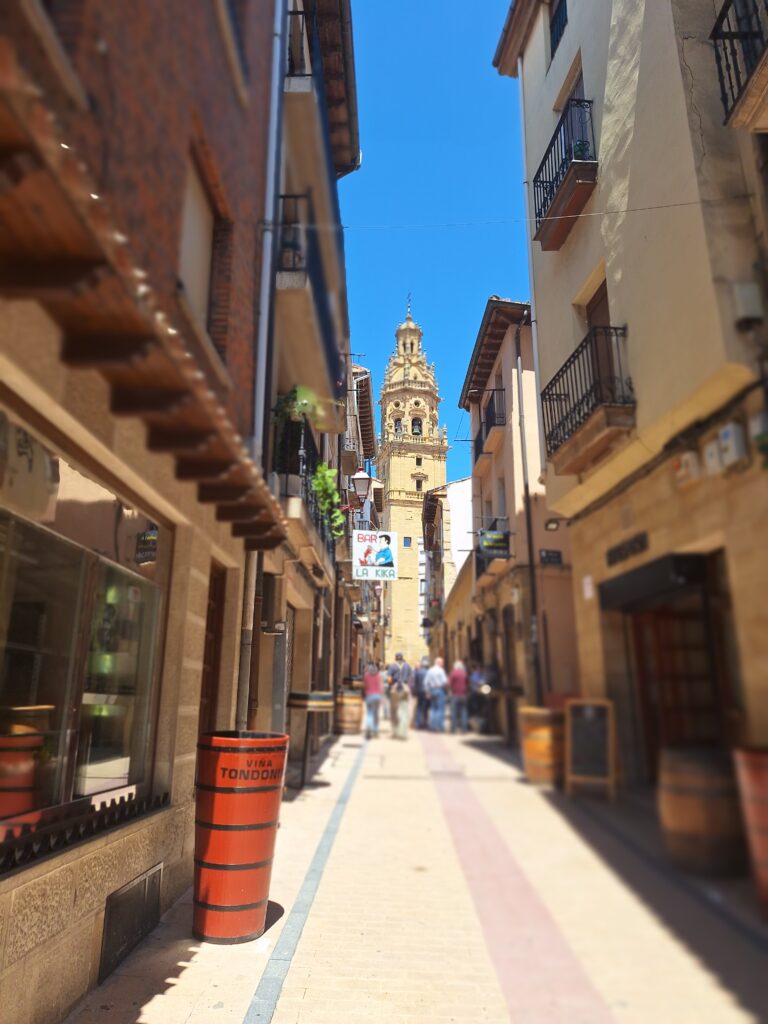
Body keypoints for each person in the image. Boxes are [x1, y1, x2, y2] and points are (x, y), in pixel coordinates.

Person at [387, 652, 413, 739]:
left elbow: (389, 679)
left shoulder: (392, 666)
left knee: (394, 711)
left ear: (395, 658)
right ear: (402, 658)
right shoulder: (407, 666)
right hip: (404, 689)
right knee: (404, 711)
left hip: (395, 689)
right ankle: (403, 733)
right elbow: (411, 678)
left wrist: (390, 685)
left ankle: (395, 732)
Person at [425, 656, 448, 732]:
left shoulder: (430, 670)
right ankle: (440, 726)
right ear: (439, 663)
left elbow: (426, 682)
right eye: (442, 663)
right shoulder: (441, 670)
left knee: (433, 709)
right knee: (440, 709)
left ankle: (432, 726)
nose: (443, 664)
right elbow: (445, 682)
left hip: (432, 690)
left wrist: (428, 692)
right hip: (439, 690)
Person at [448, 660, 469, 734]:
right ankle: (464, 729)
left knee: (454, 712)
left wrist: (450, 691)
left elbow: (449, 683)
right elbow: (467, 683)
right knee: (464, 712)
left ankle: (453, 729)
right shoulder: (464, 673)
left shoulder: (453, 673)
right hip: (463, 695)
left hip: (455, 695)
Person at [363, 661, 382, 739]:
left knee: (370, 713)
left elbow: (365, 686)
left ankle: (369, 729)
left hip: (369, 696)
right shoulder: (378, 675)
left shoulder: (366, 675)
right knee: (376, 714)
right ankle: (376, 730)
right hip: (377, 696)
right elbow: (380, 687)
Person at [412, 656, 430, 729]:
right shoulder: (428, 672)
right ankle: (425, 723)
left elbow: (415, 683)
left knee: (419, 708)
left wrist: (414, 692)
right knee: (425, 708)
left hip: (419, 691)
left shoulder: (418, 672)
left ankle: (418, 723)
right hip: (426, 691)